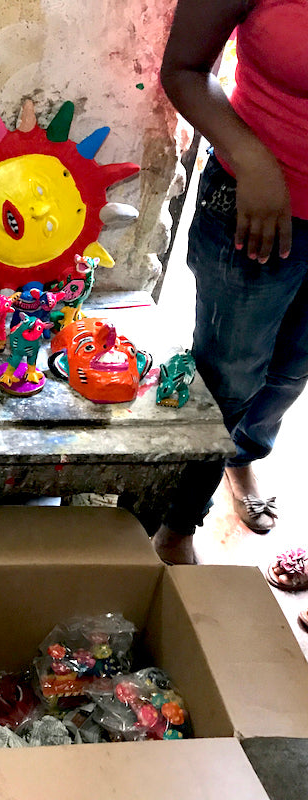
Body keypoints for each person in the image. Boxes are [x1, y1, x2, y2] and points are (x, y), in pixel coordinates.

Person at [152, 0, 308, 565]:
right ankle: (178, 519)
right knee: (228, 376)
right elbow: (186, 68)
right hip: (256, 207)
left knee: (292, 369)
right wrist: (253, 158)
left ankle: (242, 455)